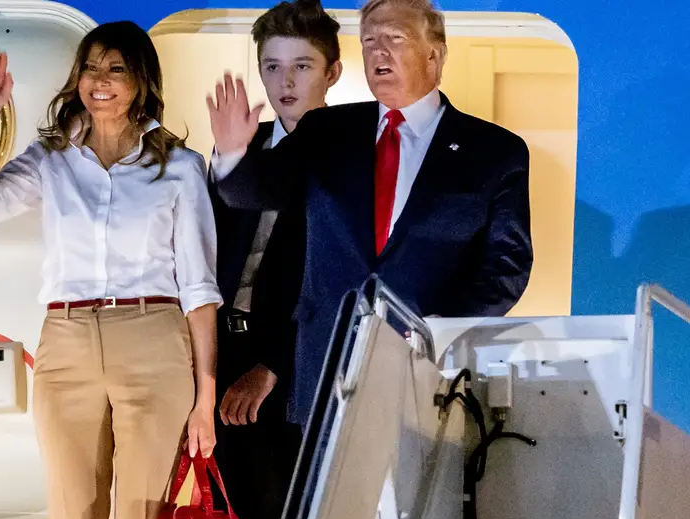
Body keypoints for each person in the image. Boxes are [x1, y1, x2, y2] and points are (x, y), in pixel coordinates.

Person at [0, 21, 222, 519]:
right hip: (66, 342)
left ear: (140, 80)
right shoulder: (50, 159)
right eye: (90, 68)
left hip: (154, 339)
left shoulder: (180, 168)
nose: (100, 80)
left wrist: (206, 396)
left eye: (116, 68)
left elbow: (199, 289)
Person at [207, 0, 533, 428]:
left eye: (394, 39)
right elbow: (262, 189)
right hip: (326, 368)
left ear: (435, 54)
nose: (379, 52)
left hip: (427, 370)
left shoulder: (494, 151)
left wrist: (440, 328)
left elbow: (507, 265)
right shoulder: (327, 130)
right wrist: (232, 153)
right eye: (369, 41)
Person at [206, 0, 340, 519]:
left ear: (332, 71)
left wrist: (275, 365)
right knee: (230, 517)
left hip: (298, 356)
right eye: (272, 66)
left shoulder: (350, 151)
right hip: (221, 347)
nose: (285, 81)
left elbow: (338, 280)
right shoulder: (241, 144)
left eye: (302, 66)